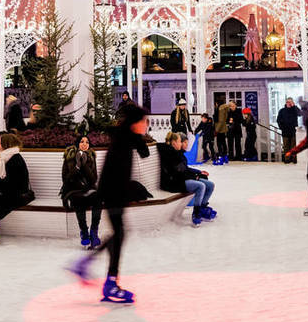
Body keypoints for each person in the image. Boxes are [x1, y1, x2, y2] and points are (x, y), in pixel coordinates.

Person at [67, 103, 151, 304]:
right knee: (119, 234)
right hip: (114, 193)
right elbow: (111, 171)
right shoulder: (122, 140)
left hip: (115, 193)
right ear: (135, 122)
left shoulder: (125, 136)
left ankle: (90, 267)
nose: (146, 124)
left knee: (118, 234)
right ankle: (107, 281)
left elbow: (143, 151)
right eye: (144, 121)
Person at [157, 131, 215, 225]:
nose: (182, 144)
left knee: (210, 185)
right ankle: (196, 212)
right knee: (200, 186)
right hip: (173, 183)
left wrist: (198, 173)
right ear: (174, 142)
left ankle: (202, 207)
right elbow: (179, 172)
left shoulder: (176, 153)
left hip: (180, 180)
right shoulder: (171, 154)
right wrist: (195, 177)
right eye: (180, 141)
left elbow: (184, 169)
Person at [61, 134, 103, 248]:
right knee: (78, 199)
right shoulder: (69, 157)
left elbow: (94, 179)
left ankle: (94, 232)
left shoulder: (91, 156)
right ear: (77, 143)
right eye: (82, 141)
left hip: (88, 188)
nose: (84, 144)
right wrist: (78, 166)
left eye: (87, 142)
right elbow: (66, 178)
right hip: (73, 189)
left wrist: (84, 165)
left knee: (98, 199)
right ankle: (84, 232)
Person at [276, 98, 300, 163]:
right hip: (285, 131)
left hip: (293, 131)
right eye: (287, 102)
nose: (288, 103)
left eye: (290, 102)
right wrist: (281, 127)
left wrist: (294, 106)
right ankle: (287, 159)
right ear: (285, 103)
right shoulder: (282, 111)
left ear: (292, 103)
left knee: (294, 146)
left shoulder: (294, 110)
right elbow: (278, 120)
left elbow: (300, 114)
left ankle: (294, 159)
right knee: (286, 146)